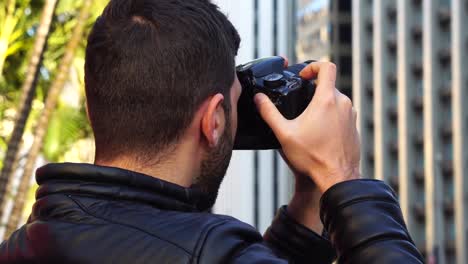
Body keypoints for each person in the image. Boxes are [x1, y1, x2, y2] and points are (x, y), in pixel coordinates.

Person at [0, 0, 423, 263]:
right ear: (214, 121)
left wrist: (310, 201)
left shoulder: (29, 242)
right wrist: (341, 176)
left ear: (95, 107)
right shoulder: (210, 250)